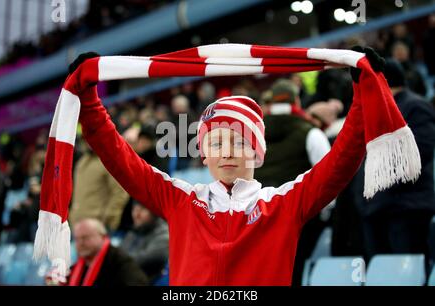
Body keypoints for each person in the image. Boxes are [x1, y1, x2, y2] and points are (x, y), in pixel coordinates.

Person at [68, 50, 379, 285]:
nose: (227, 152)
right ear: (204, 155)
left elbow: (341, 160)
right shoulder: (180, 200)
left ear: (258, 153)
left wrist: (363, 96)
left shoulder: (284, 203)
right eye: (216, 144)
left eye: (240, 142)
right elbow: (119, 159)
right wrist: (90, 103)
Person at [356, 59, 435, 262]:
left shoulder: (415, 106)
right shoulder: (380, 108)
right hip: (379, 210)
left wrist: (378, 181)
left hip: (406, 209)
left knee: (407, 274)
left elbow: (420, 153)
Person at [255, 79, 332, 285]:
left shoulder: (254, 135)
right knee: (294, 270)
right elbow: (328, 175)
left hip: (261, 214)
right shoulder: (310, 131)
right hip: (299, 213)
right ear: (296, 99)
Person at [64, 218, 148, 286]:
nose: (81, 243)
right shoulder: (77, 266)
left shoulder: (120, 261)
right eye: (77, 239)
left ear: (103, 237)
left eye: (86, 238)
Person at [69, 141, 129, 231]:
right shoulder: (82, 161)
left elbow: (120, 192)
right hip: (77, 226)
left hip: (98, 227)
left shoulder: (110, 160)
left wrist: (108, 220)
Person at [120, 201, 169, 283]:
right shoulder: (136, 229)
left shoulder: (163, 235)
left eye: (142, 209)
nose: (136, 215)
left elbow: (143, 260)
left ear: (154, 213)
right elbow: (121, 253)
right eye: (134, 209)